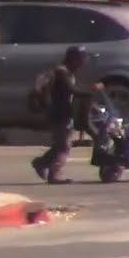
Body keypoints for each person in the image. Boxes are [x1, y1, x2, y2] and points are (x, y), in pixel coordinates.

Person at [31, 45, 102, 184]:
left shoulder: (67, 72)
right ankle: (54, 174)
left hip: (62, 113)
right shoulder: (62, 73)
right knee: (63, 145)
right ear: (73, 59)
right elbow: (71, 91)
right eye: (81, 59)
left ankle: (41, 163)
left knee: (60, 144)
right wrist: (91, 91)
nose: (83, 62)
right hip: (59, 113)